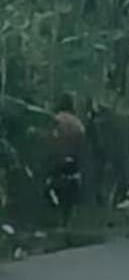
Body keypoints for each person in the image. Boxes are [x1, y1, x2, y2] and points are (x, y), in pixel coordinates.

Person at [46, 93, 86, 227]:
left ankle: (56, 218)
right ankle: (67, 220)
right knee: (71, 192)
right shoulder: (77, 123)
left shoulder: (56, 120)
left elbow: (50, 139)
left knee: (51, 187)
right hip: (74, 160)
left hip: (56, 160)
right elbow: (82, 143)